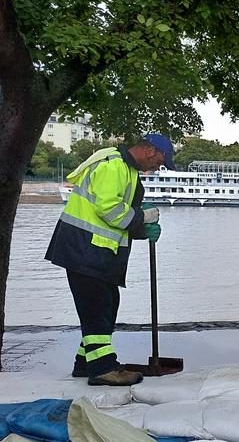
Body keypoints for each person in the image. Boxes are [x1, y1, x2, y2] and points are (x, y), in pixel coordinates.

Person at [46, 134, 175, 386]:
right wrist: (143, 218)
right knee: (97, 308)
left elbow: (120, 217)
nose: (157, 168)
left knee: (106, 305)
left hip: (97, 250)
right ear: (149, 150)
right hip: (84, 248)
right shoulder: (113, 165)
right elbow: (109, 210)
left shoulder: (128, 171)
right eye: (159, 162)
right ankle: (103, 368)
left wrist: (140, 229)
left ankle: (86, 363)